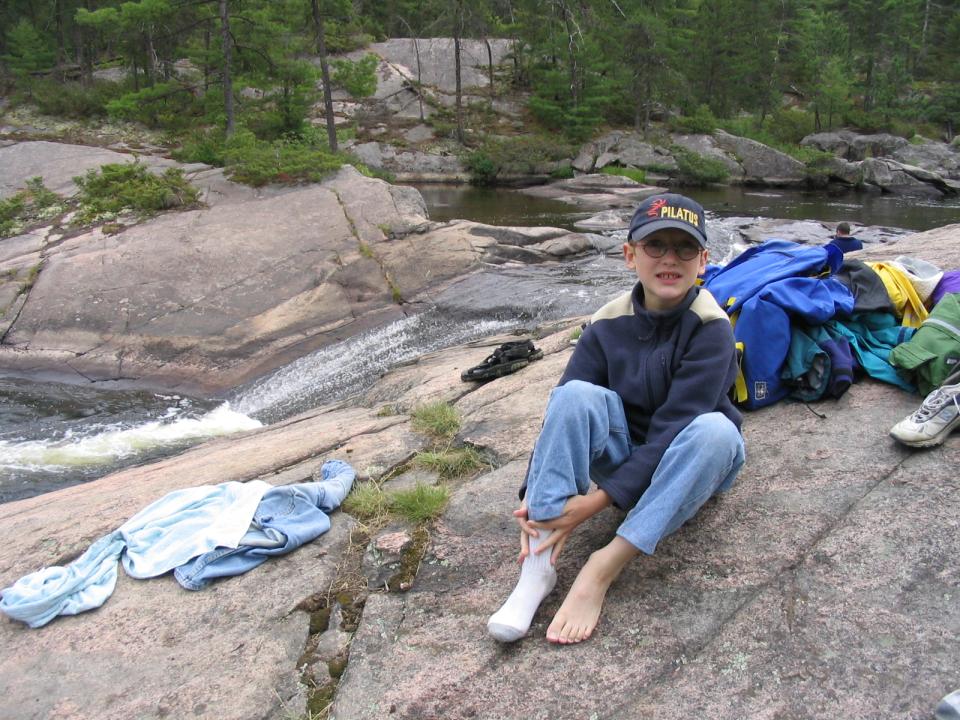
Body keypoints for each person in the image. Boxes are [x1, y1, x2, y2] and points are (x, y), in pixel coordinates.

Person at [487, 193, 746, 645]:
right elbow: (562, 413)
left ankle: (602, 566)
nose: (670, 259)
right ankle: (538, 566)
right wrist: (534, 495)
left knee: (717, 432)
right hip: (623, 452)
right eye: (655, 246)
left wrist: (596, 503)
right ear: (630, 255)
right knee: (574, 395)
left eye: (685, 248)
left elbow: (673, 428)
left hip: (685, 461)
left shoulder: (711, 328)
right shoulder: (605, 323)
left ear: (703, 260)